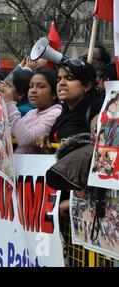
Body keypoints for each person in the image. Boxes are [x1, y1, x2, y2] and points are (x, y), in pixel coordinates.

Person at [39, 59, 104, 215]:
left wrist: (71, 202)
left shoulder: (96, 107)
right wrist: (50, 137)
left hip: (80, 203)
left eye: (69, 78)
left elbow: (99, 145)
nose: (61, 83)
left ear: (87, 85)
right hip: (61, 196)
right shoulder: (65, 112)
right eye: (59, 79)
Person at [0, 68, 62, 154]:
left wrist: (10, 103)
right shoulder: (31, 113)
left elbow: (25, 139)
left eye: (41, 86)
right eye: (31, 86)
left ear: (54, 94)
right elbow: (8, 133)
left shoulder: (55, 114)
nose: (33, 90)